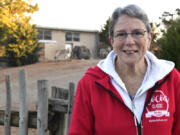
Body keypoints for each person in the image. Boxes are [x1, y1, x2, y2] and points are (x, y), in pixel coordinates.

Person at [68, 4, 180, 135]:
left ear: (149, 38)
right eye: (121, 34)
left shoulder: (172, 79)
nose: (129, 41)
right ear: (112, 41)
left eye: (137, 33)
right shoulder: (90, 84)